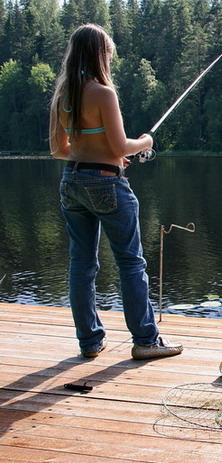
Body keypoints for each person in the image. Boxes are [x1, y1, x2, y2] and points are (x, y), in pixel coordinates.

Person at [50, 24, 182, 360]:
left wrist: (106, 153)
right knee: (131, 263)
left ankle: (90, 342)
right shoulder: (103, 93)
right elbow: (123, 144)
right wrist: (145, 143)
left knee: (81, 265)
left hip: (72, 182)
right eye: (108, 53)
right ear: (98, 55)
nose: (110, 58)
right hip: (107, 184)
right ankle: (146, 341)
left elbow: (59, 149)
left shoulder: (63, 95)